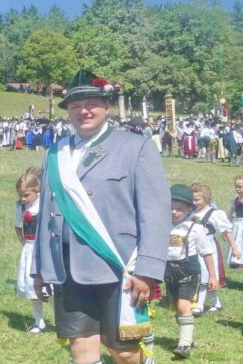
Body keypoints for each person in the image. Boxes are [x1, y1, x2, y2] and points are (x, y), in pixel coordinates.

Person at [32, 70, 170, 364]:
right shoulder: (55, 154)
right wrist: (40, 268)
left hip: (119, 269)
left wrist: (148, 269)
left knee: (125, 353)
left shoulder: (136, 147)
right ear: (68, 111)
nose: (84, 111)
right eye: (75, 106)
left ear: (107, 106)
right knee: (81, 348)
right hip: (68, 267)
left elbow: (155, 212)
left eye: (92, 103)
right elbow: (46, 216)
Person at [166, 184, 217, 359]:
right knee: (177, 308)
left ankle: (184, 345)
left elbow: (207, 253)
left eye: (179, 209)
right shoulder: (164, 227)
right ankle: (185, 337)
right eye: (171, 208)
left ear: (189, 210)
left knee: (183, 305)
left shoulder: (195, 229)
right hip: (170, 271)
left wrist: (212, 275)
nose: (174, 212)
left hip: (189, 271)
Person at [191, 183, 239, 314]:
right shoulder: (190, 212)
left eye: (197, 200)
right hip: (192, 247)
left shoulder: (214, 213)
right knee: (197, 274)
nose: (194, 202)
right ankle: (216, 304)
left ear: (206, 198)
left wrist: (234, 248)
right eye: (192, 199)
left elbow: (226, 231)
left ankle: (199, 305)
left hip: (208, 246)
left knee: (205, 275)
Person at [14, 166, 49, 334]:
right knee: (31, 285)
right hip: (29, 249)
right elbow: (17, 226)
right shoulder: (20, 207)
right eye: (21, 195)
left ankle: (63, 321)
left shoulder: (44, 205)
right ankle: (39, 321)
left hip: (45, 249)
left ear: (37, 191)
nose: (23, 199)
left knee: (50, 284)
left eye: (26, 195)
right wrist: (25, 244)